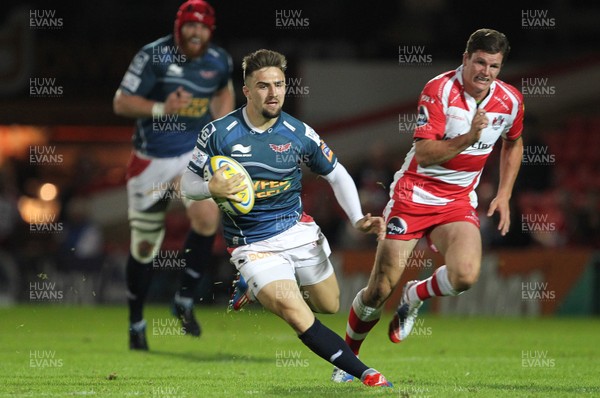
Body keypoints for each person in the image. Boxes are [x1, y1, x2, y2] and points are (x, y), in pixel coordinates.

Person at [181, 49, 392, 387]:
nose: (274, 93)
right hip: (251, 244)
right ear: (247, 90)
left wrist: (356, 219)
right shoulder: (219, 133)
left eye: (279, 84)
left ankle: (256, 285)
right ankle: (366, 373)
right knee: (295, 312)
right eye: (263, 86)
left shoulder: (299, 132)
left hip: (296, 230)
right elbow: (186, 186)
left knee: (329, 303)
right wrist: (210, 185)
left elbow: (336, 174)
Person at [332, 28, 524, 382]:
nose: (486, 71)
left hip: (456, 202)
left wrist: (505, 194)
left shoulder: (510, 101)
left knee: (465, 275)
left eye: (494, 65)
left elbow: (514, 142)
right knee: (378, 290)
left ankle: (415, 293)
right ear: (465, 59)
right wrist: (469, 137)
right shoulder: (439, 90)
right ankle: (348, 360)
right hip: (413, 195)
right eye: (479, 62)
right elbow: (425, 153)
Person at [113, 0, 235, 350]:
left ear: (211, 31)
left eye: (204, 27)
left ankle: (184, 299)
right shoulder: (153, 56)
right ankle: (136, 322)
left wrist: (218, 128)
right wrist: (160, 108)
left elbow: (224, 89)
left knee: (207, 216)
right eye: (191, 25)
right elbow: (121, 102)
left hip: (189, 155)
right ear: (179, 27)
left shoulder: (219, 60)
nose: (197, 33)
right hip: (150, 160)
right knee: (145, 245)